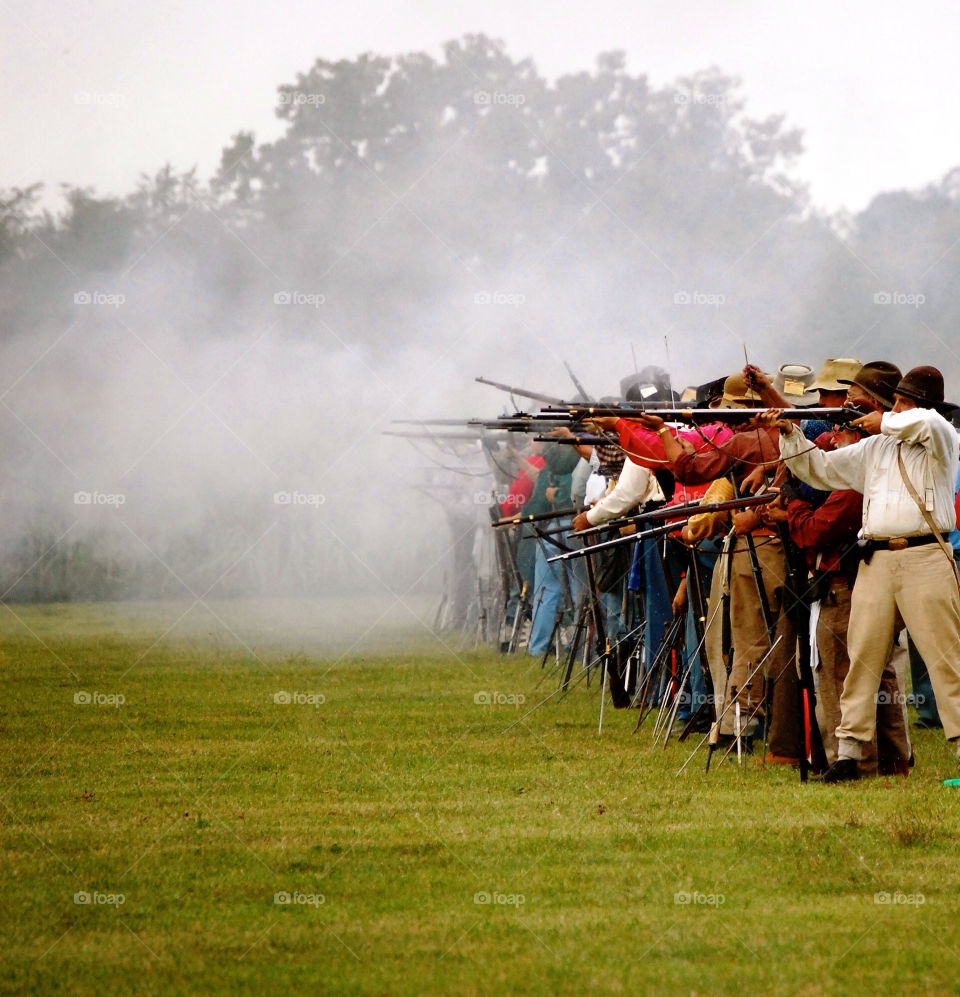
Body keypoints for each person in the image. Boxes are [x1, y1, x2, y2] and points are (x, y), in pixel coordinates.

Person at [777, 365, 960, 781]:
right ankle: (849, 752)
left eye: (902, 402)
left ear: (920, 406)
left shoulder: (941, 437)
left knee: (946, 659)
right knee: (860, 656)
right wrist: (790, 434)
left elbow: (927, 422)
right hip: (877, 558)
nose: (894, 408)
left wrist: (885, 418)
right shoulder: (876, 448)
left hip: (925, 556)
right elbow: (819, 469)